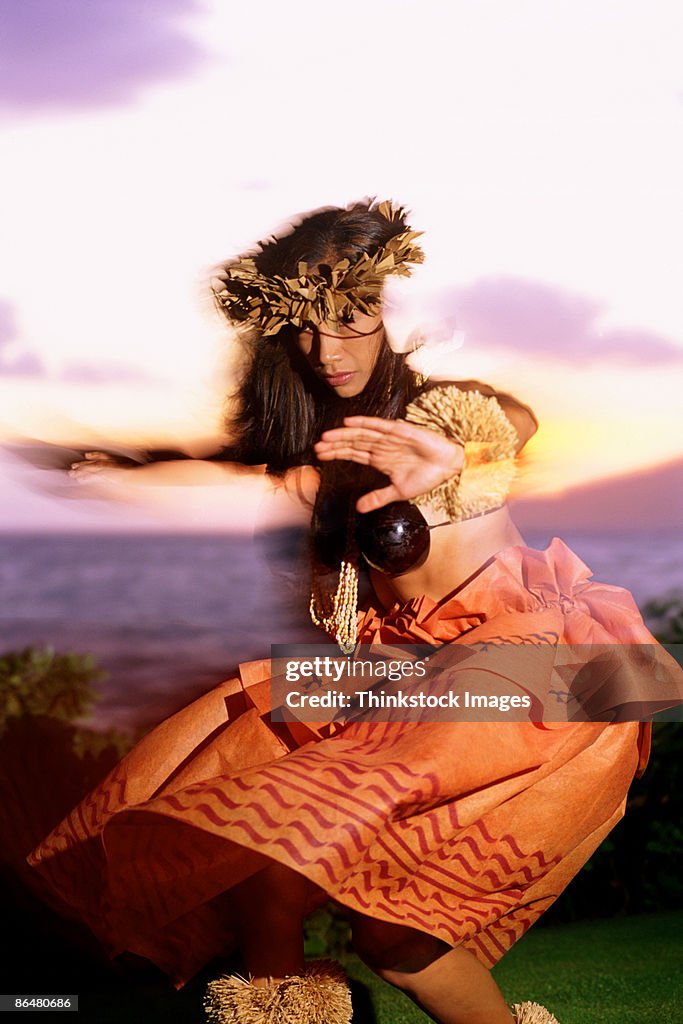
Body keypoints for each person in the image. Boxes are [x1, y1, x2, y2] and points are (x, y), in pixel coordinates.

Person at [28, 200, 682, 1024]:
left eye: (350, 317)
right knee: (319, 902)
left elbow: (508, 418)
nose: (326, 348)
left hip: (547, 672)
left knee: (334, 884)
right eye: (304, 328)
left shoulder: (436, 413)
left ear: (383, 309)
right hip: (408, 674)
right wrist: (132, 463)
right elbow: (234, 454)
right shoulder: (324, 438)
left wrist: (465, 452)